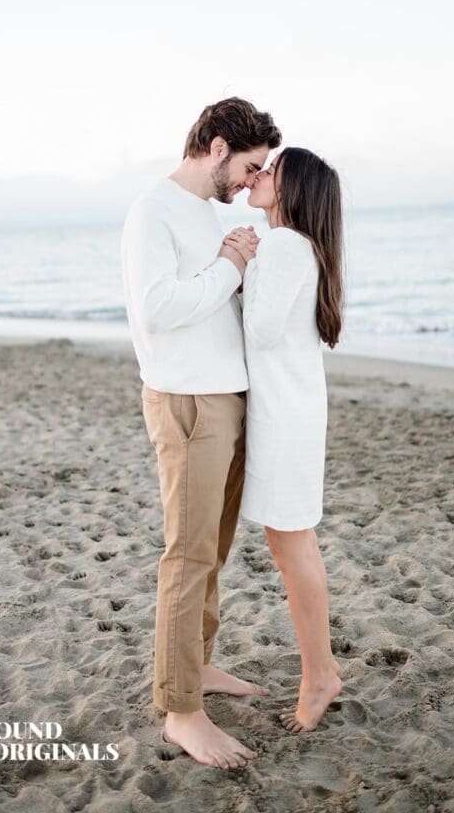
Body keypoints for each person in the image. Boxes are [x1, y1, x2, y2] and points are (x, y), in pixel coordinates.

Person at [120, 97, 281, 770]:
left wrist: (241, 270)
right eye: (247, 167)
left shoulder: (208, 216)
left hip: (226, 399)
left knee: (211, 552)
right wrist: (230, 268)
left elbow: (217, 303)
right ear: (216, 147)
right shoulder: (153, 210)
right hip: (188, 403)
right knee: (186, 558)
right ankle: (182, 710)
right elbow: (156, 309)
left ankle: (199, 666)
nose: (249, 182)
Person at [222, 146, 345, 733]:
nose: (260, 174)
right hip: (289, 411)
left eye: (272, 170)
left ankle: (320, 676)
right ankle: (320, 670)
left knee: (294, 550)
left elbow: (263, 330)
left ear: (293, 189)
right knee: (293, 547)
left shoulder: (287, 245)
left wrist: (240, 263)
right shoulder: (295, 247)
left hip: (287, 418)